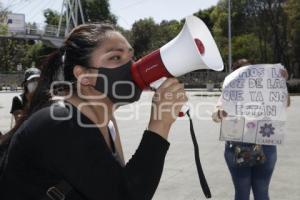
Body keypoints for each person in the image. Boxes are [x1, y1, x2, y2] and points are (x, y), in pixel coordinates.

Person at [0, 23, 187, 200]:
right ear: (84, 75)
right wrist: (159, 124)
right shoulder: (60, 122)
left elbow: (117, 182)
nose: (131, 67)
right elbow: (126, 195)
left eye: (131, 57)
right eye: (115, 57)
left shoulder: (104, 121)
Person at [212, 58, 290, 200]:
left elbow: (285, 103)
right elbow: (215, 116)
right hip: (236, 146)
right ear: (235, 75)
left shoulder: (268, 90)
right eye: (243, 72)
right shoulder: (230, 92)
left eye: (251, 71)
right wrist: (220, 113)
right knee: (242, 193)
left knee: (261, 191)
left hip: (265, 145)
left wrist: (281, 82)